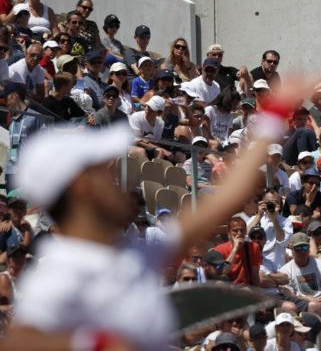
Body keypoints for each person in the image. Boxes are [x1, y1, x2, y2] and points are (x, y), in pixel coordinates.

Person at [3, 100, 289, 350]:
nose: (120, 182)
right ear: (80, 187)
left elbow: (226, 199)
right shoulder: (59, 275)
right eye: (107, 173)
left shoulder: (131, 252)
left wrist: (275, 112)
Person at [278, 232, 321, 316]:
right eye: (298, 248)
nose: (302, 251)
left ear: (309, 248)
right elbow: (291, 295)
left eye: (305, 247)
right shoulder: (285, 271)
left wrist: (319, 304)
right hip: (300, 302)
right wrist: (307, 299)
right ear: (292, 249)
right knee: (313, 307)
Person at [3, 83, 45, 190]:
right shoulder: (11, 120)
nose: (5, 102)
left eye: (6, 98)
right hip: (11, 172)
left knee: (27, 206)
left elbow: (43, 143)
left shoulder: (35, 117)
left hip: (28, 172)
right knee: (12, 205)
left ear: (14, 96)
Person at [215, 216, 262, 286]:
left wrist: (257, 293)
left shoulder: (254, 247)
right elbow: (223, 272)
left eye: (242, 230)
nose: (239, 233)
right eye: (235, 231)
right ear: (229, 232)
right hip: (228, 288)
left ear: (246, 231)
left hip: (245, 288)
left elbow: (255, 275)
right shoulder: (220, 249)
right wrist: (235, 249)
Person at [128, 95, 174, 160]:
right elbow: (138, 141)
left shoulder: (161, 123)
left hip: (147, 146)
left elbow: (155, 142)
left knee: (160, 152)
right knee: (142, 151)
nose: (147, 109)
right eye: (148, 106)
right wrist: (163, 150)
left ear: (158, 113)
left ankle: (154, 169)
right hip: (131, 145)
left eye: (152, 109)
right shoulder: (136, 117)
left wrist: (161, 150)